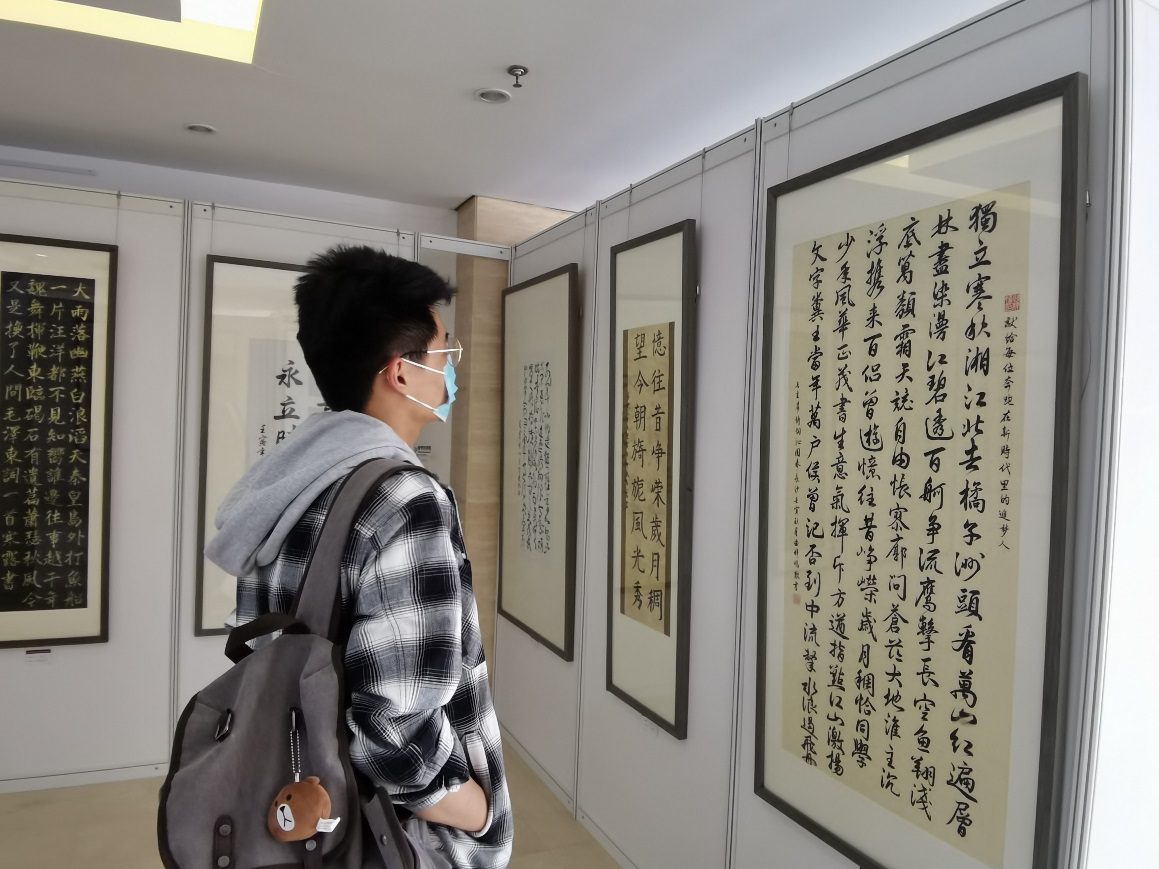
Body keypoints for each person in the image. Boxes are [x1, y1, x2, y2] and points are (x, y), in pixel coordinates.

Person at [205, 244, 513, 869]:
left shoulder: (291, 484)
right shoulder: (406, 499)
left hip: (304, 800)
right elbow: (395, 736)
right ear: (401, 373)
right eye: (445, 353)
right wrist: (479, 813)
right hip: (396, 836)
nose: (451, 370)